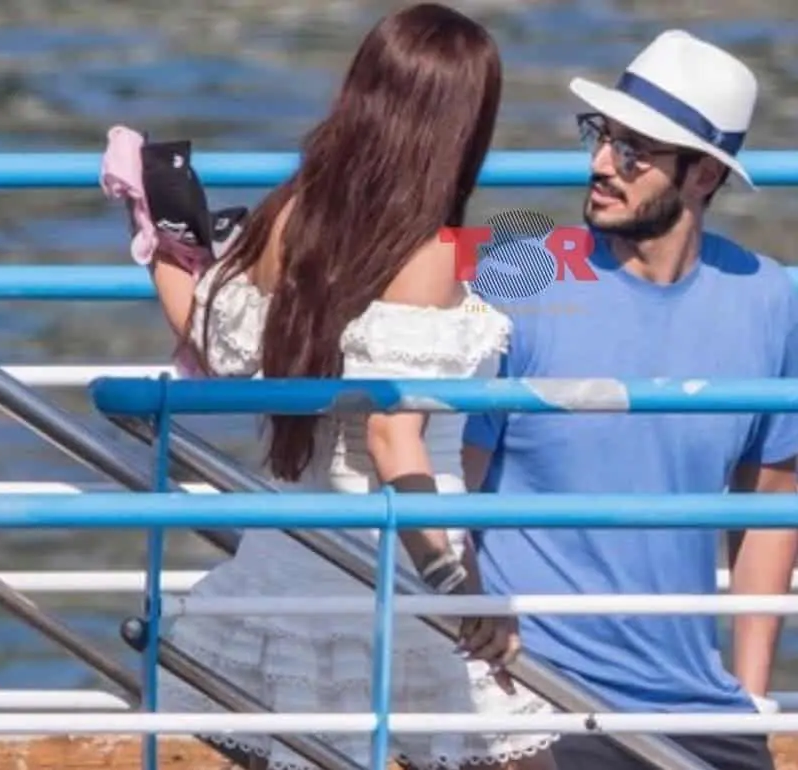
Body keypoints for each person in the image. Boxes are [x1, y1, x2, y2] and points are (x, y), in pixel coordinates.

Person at [112, 5, 561, 770]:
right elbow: (393, 436)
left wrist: (156, 238)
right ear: (457, 126)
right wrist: (458, 587)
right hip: (394, 572)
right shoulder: (425, 255)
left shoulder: (291, 218)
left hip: (292, 562)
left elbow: (218, 348)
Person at [462, 29, 798, 770]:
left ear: (704, 174)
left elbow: (771, 505)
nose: (600, 164)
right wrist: (479, 652)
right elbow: (449, 478)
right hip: (533, 691)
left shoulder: (768, 298)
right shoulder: (516, 276)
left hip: (699, 705)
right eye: (602, 136)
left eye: (634, 151)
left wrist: (750, 696)